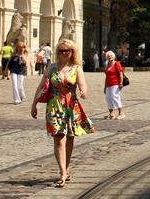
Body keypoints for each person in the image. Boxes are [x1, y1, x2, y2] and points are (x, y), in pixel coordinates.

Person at [30, 39, 94, 188]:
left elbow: (83, 84)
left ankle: (66, 168)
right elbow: (41, 86)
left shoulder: (76, 68)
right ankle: (62, 172)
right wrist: (34, 104)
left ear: (72, 52)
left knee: (70, 139)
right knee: (59, 139)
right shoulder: (51, 68)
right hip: (54, 106)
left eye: (67, 50)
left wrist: (83, 92)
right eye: (61, 50)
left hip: (71, 106)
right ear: (58, 52)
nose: (64, 53)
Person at [103, 50, 125, 119]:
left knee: (115, 98)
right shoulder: (107, 65)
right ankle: (111, 113)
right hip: (108, 84)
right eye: (108, 56)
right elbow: (106, 76)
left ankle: (121, 113)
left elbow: (121, 74)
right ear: (107, 57)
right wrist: (105, 86)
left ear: (114, 56)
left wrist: (121, 83)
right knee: (108, 98)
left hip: (115, 84)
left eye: (111, 56)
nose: (110, 57)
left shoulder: (116, 64)